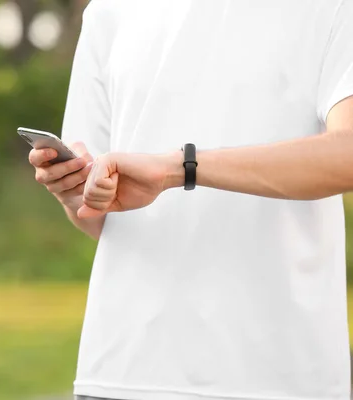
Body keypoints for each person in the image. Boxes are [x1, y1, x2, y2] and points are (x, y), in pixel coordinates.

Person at [28, 1, 353, 400]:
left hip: (281, 376)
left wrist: (182, 167)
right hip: (121, 371)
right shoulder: (108, 11)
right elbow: (95, 217)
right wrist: (74, 191)